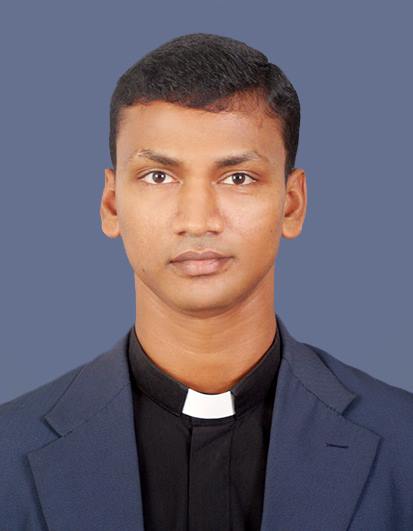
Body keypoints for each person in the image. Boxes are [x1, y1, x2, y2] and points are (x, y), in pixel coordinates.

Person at [1, 32, 412, 531]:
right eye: (158, 176)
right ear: (111, 204)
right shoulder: (9, 452)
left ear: (292, 204)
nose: (198, 221)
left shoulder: (403, 443)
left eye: (238, 178)